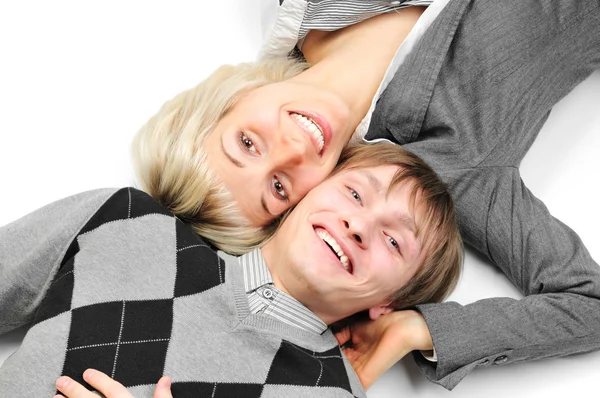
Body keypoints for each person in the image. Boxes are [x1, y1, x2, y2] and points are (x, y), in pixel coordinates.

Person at [132, 0, 600, 391]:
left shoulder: (298, 10)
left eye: (246, 144)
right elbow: (590, 304)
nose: (292, 149)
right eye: (278, 188)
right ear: (303, 204)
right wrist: (417, 329)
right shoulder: (448, 168)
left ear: (228, 100)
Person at [0, 142, 462, 397]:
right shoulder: (124, 219)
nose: (358, 225)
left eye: (394, 240)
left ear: (389, 304)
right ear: (308, 193)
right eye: (356, 194)